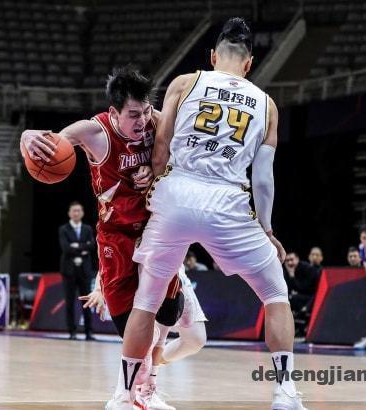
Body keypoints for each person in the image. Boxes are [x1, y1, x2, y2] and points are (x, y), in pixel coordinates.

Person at [113, 18, 306, 409]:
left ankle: (124, 396)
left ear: (213, 56)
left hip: (177, 192)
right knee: (275, 293)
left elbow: (160, 148)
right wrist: (267, 230)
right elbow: (263, 179)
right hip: (228, 202)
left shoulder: (186, 83)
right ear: (249, 64)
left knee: (147, 302)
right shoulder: (266, 105)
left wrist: (154, 198)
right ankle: (285, 393)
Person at [21, 66, 206, 410]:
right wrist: (27, 136)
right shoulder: (96, 132)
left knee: (165, 316)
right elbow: (55, 140)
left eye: (146, 111)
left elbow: (186, 157)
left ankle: (140, 393)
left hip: (156, 230)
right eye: (133, 114)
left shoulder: (157, 122)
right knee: (132, 327)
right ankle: (129, 393)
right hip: (116, 237)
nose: (142, 120)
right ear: (114, 112)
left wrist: (159, 170)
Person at [58, 201, 96, 340]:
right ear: (69, 213)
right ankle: (72, 331)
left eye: (78, 210)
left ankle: (89, 332)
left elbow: (92, 246)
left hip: (84, 270)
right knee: (69, 301)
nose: (76, 213)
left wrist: (76, 246)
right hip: (69, 270)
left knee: (87, 301)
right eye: (73, 210)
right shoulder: (64, 229)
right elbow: (66, 248)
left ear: (82, 213)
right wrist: (83, 248)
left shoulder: (87, 229)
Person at [283, 252, 319, 337]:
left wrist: (292, 276)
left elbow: (303, 288)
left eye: (291, 260)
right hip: (296, 296)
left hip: (311, 298)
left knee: (292, 299)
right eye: (287, 260)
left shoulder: (307, 268)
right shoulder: (286, 270)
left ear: (297, 259)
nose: (289, 263)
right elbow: (286, 288)